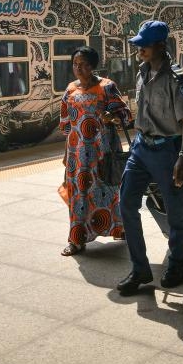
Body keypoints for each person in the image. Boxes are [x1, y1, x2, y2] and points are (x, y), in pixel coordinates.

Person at [117, 20, 183, 295]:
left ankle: (176, 263)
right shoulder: (141, 73)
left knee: (175, 212)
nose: (139, 49)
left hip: (167, 150)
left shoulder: (176, 78)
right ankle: (140, 269)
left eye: (144, 44)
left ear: (160, 45)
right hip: (141, 148)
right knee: (126, 203)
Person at [59, 46, 131, 256]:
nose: (78, 69)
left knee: (111, 191)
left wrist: (114, 117)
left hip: (104, 152)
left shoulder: (107, 87)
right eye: (75, 64)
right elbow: (66, 125)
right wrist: (66, 156)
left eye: (83, 65)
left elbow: (125, 115)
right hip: (78, 155)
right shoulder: (70, 90)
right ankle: (77, 239)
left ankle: (120, 228)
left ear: (93, 66)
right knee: (79, 196)